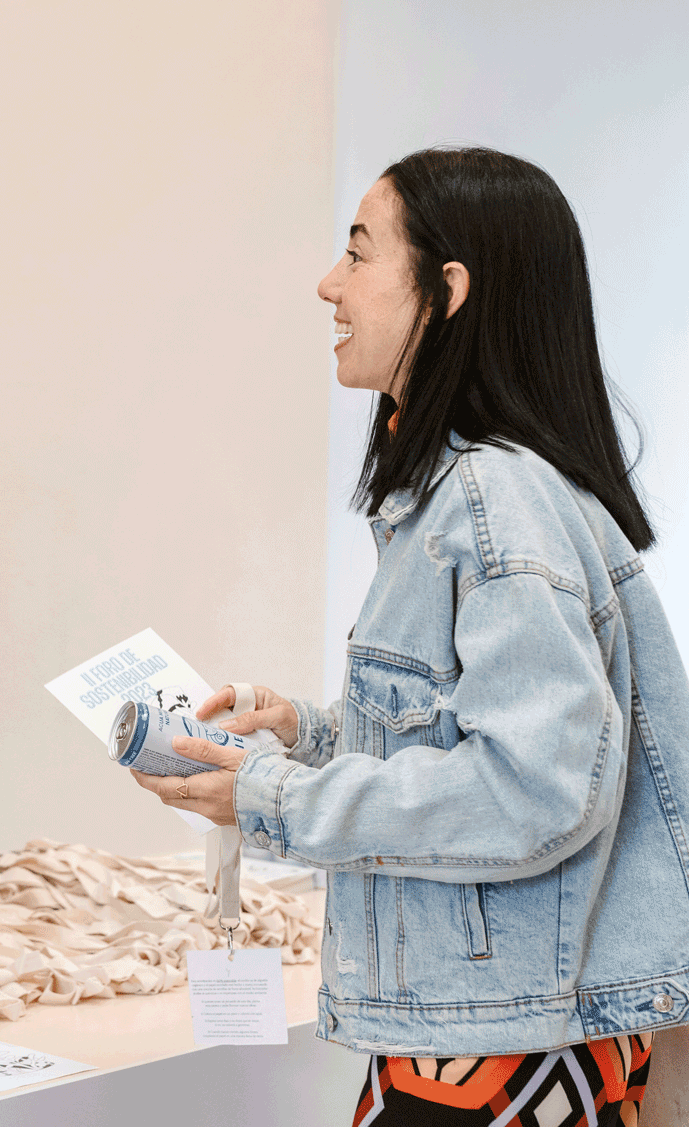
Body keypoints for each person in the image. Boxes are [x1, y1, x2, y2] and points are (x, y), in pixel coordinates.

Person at [133, 147, 686, 1124]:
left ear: (448, 289)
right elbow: (465, 727)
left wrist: (271, 796)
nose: (327, 285)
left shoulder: (492, 495)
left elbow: (535, 785)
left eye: (356, 253)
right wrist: (306, 728)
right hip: (496, 1029)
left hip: (498, 1050)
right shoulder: (477, 490)